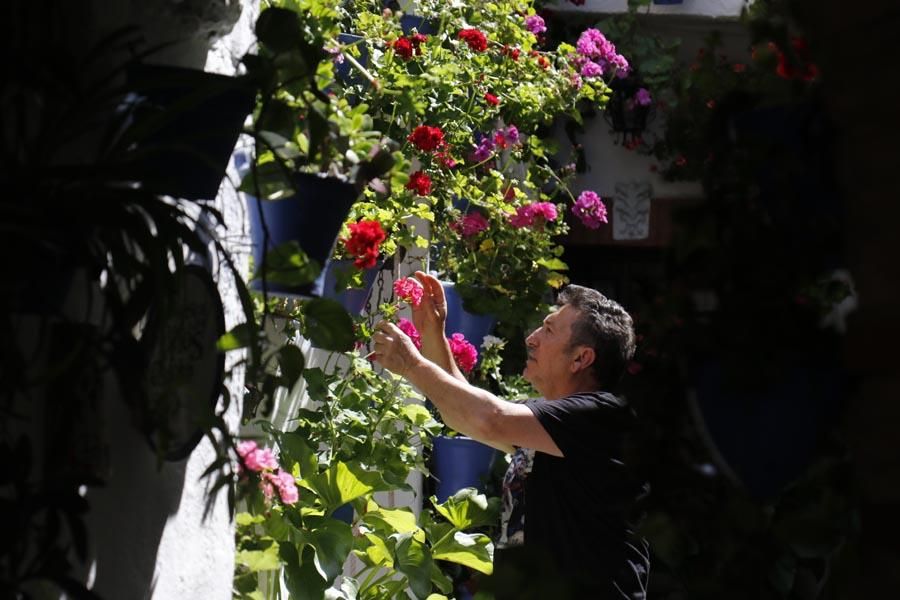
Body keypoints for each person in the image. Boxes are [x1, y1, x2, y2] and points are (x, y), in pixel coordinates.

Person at [372, 271, 650, 599]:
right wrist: (433, 333)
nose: (531, 338)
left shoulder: (600, 417)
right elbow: (469, 416)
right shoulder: (556, 422)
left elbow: (490, 419)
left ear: (581, 358)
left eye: (548, 330)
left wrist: (412, 365)